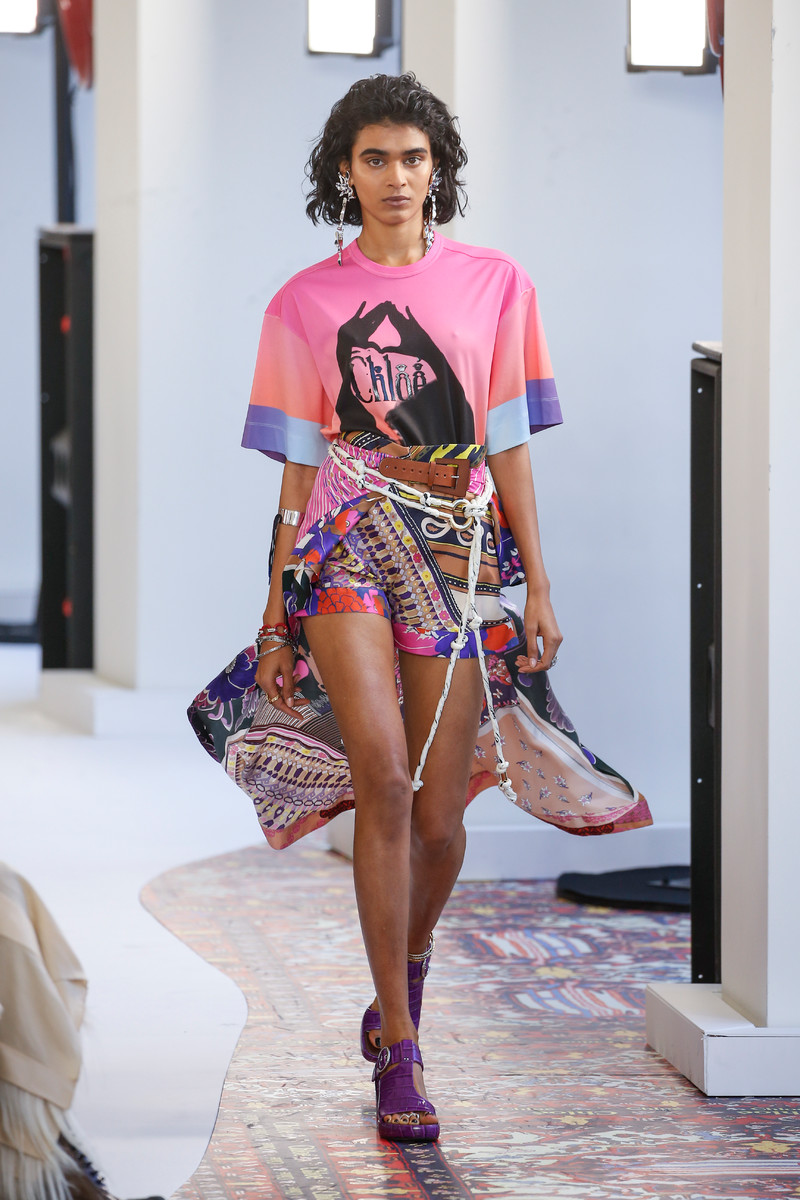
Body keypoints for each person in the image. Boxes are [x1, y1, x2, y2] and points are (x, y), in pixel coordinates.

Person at [243, 71, 566, 1143]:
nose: (395, 176)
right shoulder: (302, 302)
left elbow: (508, 442)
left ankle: (399, 991)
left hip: (457, 541)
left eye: (413, 158)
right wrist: (275, 612)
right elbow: (295, 475)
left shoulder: (496, 285)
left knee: (439, 818)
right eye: (374, 158)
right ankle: (406, 1055)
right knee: (381, 774)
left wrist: (538, 579)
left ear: (439, 169)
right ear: (345, 171)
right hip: (344, 533)